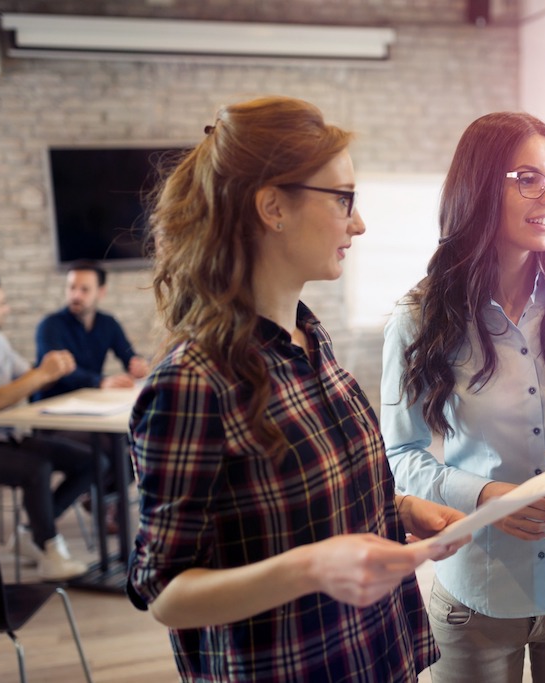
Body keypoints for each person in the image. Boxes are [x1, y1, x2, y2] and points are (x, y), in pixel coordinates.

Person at [126, 95, 468, 682]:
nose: (358, 223)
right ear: (272, 207)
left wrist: (401, 510)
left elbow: (317, 507)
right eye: (343, 199)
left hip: (377, 658)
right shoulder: (193, 384)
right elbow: (163, 591)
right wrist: (309, 569)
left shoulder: (310, 341)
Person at [381, 111, 545, 682]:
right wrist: (488, 496)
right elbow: (401, 457)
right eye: (528, 177)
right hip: (477, 594)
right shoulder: (420, 317)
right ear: (477, 188)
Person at [0, 272, 95, 580]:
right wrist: (42, 374)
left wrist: (52, 369)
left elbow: (27, 375)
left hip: (7, 437)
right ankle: (49, 550)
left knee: (92, 461)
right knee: (36, 468)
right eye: (2, 303)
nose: (8, 309)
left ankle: (30, 533)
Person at [34, 259, 149, 400]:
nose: (76, 295)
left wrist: (139, 366)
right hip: (52, 404)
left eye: (84, 289)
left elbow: (129, 357)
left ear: (101, 292)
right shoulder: (49, 325)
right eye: (72, 287)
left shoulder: (108, 323)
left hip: (90, 401)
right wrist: (101, 381)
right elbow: (60, 371)